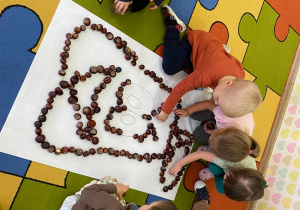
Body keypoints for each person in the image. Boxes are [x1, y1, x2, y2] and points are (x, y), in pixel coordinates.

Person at [156, 5, 262, 123]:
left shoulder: (240, 74)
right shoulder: (204, 76)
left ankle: (221, 48)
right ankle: (174, 26)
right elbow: (179, 89)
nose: (215, 102)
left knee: (199, 84)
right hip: (195, 43)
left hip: (213, 51)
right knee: (169, 67)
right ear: (228, 83)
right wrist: (166, 111)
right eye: (217, 99)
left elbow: (232, 61)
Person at [169, 127, 263, 200]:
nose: (224, 180)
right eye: (226, 179)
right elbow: (200, 154)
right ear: (240, 169)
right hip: (226, 159)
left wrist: (227, 182)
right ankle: (212, 151)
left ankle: (214, 172)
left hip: (228, 167)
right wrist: (180, 164)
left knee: (221, 190)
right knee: (214, 168)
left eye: (225, 181)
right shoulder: (229, 160)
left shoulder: (246, 180)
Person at [60, 176, 178, 210]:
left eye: (149, 205)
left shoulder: (113, 206)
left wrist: (115, 188)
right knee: (131, 206)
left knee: (107, 182)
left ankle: (74, 198)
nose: (146, 204)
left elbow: (88, 193)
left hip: (76, 206)